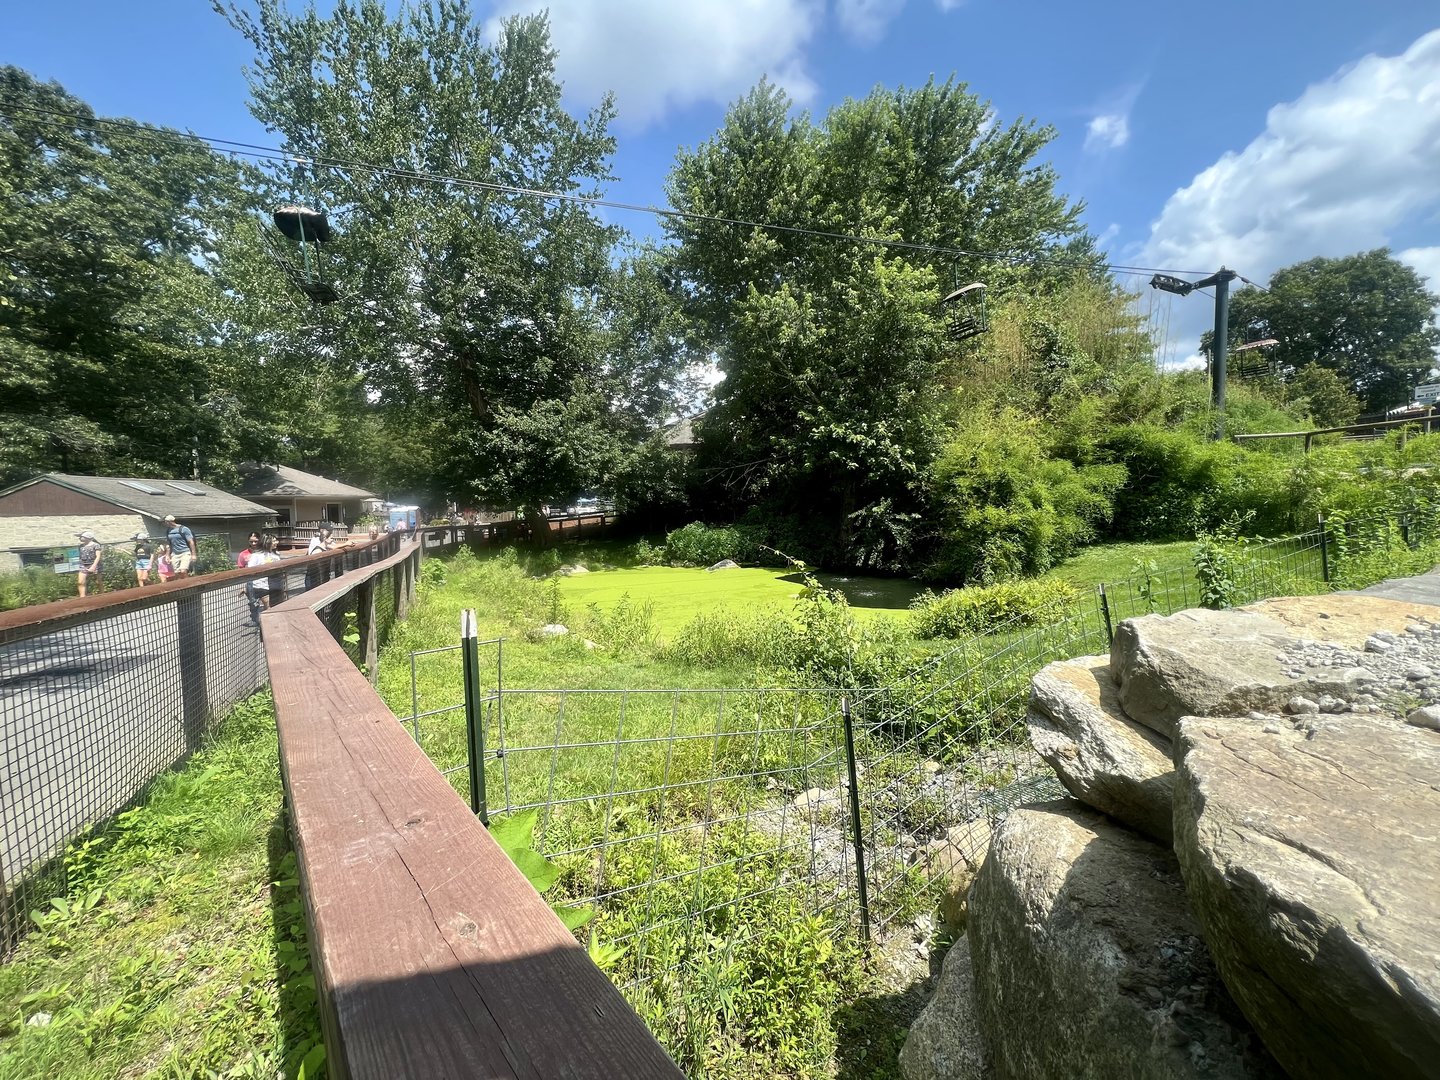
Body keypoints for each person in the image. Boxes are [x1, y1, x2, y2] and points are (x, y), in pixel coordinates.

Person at [164, 514, 197, 579]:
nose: (165, 523)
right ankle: (182, 586)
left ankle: (189, 585)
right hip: (175, 554)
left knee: (183, 571)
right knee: (177, 572)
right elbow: (168, 544)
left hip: (185, 552)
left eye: (166, 522)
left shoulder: (183, 529)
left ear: (170, 521)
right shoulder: (168, 531)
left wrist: (193, 554)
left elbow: (191, 542)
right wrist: (167, 555)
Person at [75, 530, 103, 597]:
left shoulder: (96, 545)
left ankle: (102, 595)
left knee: (98, 581)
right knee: (80, 582)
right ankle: (82, 598)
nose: (79, 538)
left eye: (81, 537)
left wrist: (93, 566)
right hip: (83, 565)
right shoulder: (81, 546)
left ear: (87, 537)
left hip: (95, 564)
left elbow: (98, 556)